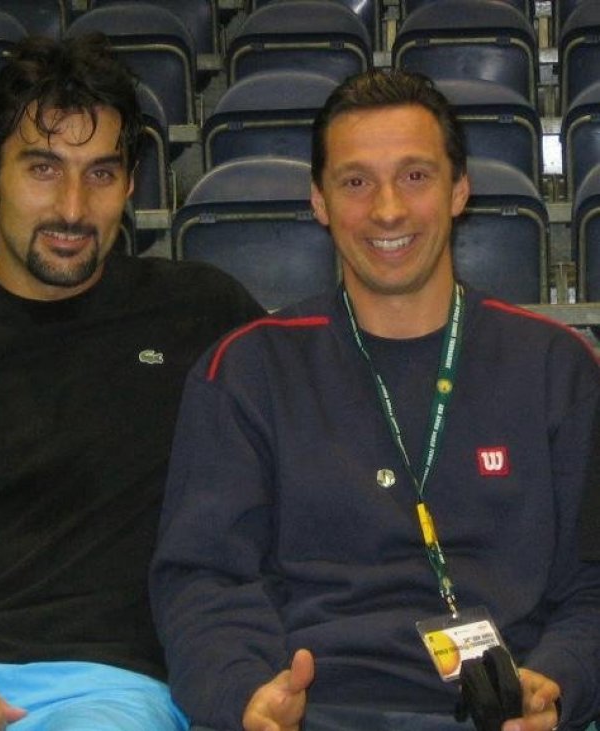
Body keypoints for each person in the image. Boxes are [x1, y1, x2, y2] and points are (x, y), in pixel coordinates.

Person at [0, 33, 263, 731]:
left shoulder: (202, 315)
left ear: (130, 183)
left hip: (110, 694)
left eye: (101, 174)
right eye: (42, 168)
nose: (72, 207)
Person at [150, 69, 600, 731]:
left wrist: (559, 682)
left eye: (415, 176)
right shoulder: (247, 370)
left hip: (507, 712)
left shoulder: (557, 367)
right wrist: (245, 694)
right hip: (314, 709)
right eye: (356, 182)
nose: (387, 210)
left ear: (459, 189)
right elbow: (202, 580)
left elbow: (592, 583)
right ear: (320, 201)